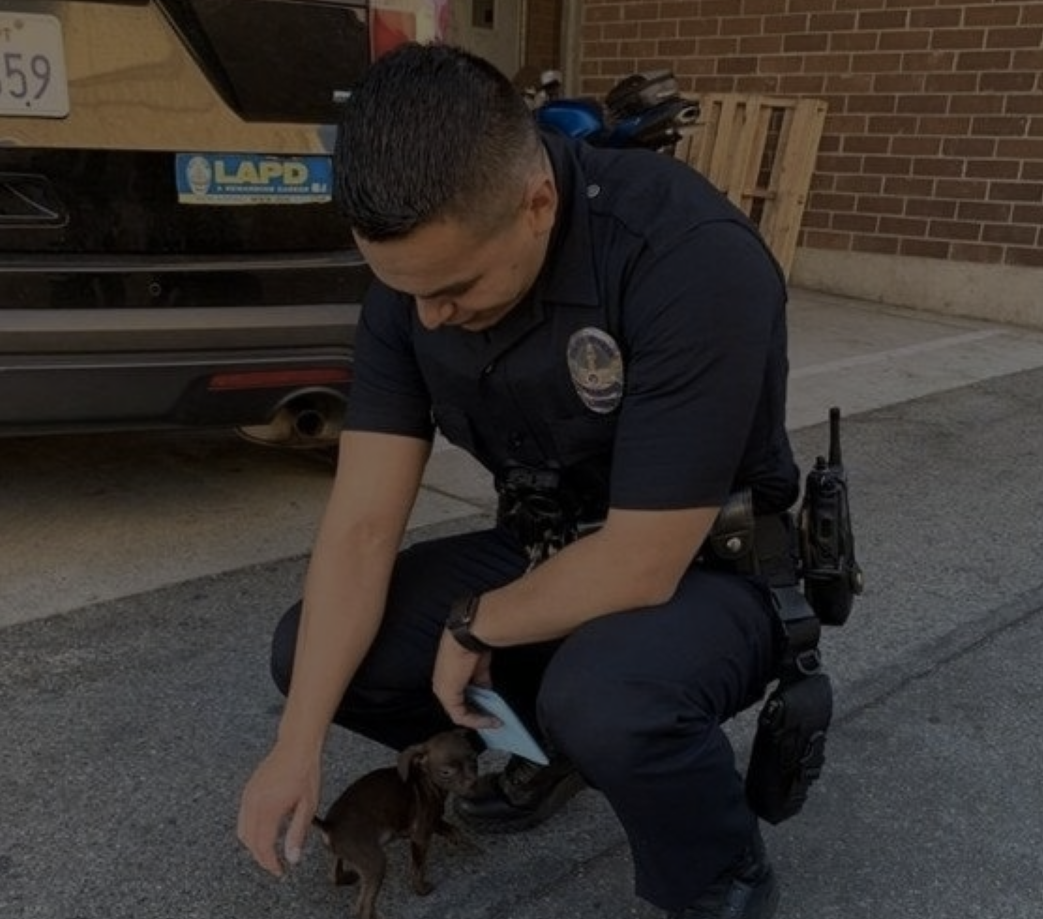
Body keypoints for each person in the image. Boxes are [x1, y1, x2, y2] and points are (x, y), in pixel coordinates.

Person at [237, 42, 799, 919]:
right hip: (546, 542)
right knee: (313, 652)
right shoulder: (418, 273)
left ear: (536, 203)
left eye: (454, 289)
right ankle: (554, 744)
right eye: (403, 291)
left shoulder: (685, 256)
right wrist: (294, 745)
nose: (428, 318)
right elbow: (359, 528)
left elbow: (643, 561)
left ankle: (719, 872)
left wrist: (477, 621)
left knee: (608, 696)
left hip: (708, 563)